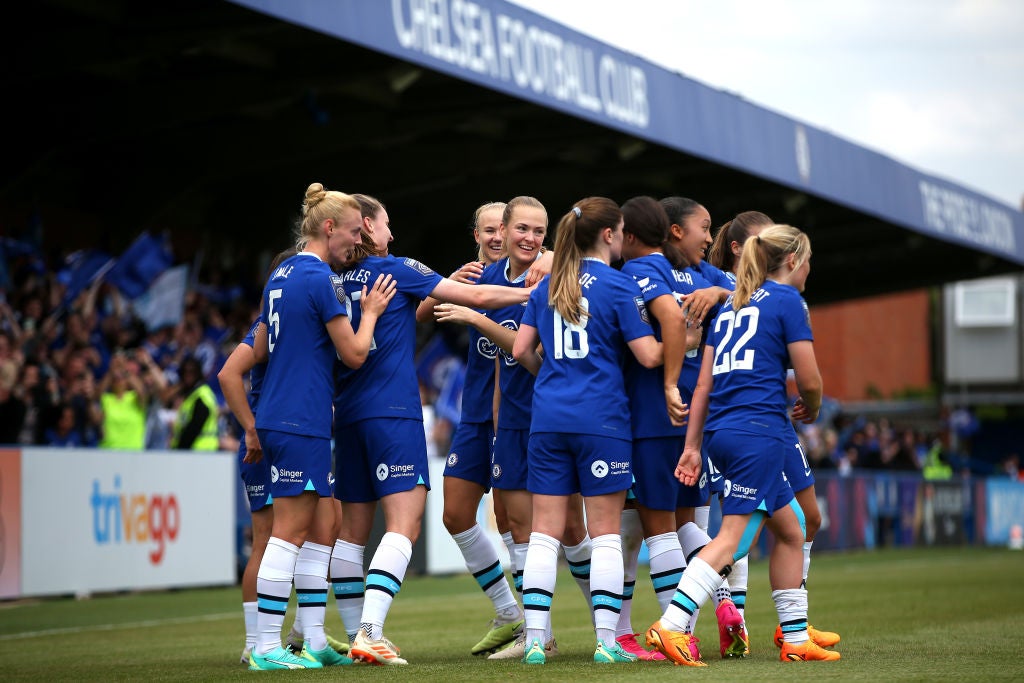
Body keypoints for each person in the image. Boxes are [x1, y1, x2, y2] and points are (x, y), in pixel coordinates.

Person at [330, 193, 535, 666]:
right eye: (385, 223)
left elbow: (406, 315)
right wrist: (533, 293)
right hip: (396, 410)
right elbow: (474, 299)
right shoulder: (399, 268)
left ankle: (334, 636)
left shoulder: (332, 277)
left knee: (352, 533)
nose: (500, 236)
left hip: (351, 412)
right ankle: (368, 631)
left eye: (506, 228)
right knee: (410, 523)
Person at [646, 224, 841, 665]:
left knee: (791, 530)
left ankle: (794, 637)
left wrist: (693, 447)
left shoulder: (731, 304)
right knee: (732, 540)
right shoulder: (789, 300)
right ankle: (671, 627)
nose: (808, 269)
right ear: (793, 261)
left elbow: (703, 387)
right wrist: (812, 405)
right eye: (807, 260)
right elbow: (808, 379)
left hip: (722, 431)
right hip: (761, 431)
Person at [246, 182, 396, 671]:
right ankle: (267, 647)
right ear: (328, 228)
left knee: (314, 530)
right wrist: (371, 312)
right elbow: (353, 354)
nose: (360, 242)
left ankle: (312, 638)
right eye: (354, 232)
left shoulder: (281, 273)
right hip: (300, 416)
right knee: (288, 534)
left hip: (283, 415)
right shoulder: (321, 279)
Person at [434, 197, 591, 662]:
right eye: (496, 230)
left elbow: (527, 354)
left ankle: (606, 627)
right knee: (469, 515)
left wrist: (477, 312)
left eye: (535, 230)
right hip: (492, 414)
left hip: (544, 413)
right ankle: (518, 617)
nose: (510, 238)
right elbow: (425, 308)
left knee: (564, 527)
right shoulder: (480, 279)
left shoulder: (546, 272)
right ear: (486, 234)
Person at [512, 197, 668, 665]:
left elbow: (521, 350)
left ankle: (536, 640)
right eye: (619, 232)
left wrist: (556, 378)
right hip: (602, 421)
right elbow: (648, 356)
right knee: (604, 535)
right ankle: (605, 642)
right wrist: (687, 336)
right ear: (607, 235)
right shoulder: (619, 286)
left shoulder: (546, 286)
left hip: (548, 420)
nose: (622, 240)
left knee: (543, 534)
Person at [708, 210, 839, 653]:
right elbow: (810, 378)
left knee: (807, 521)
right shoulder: (735, 289)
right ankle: (691, 613)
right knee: (742, 533)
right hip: (751, 422)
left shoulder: (738, 293)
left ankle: (793, 626)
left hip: (772, 422)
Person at [411, 201, 526, 656]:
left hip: (521, 415)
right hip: (474, 414)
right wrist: (446, 286)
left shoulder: (535, 274)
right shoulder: (472, 280)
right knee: (455, 514)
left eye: (504, 227)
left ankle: (545, 632)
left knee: (520, 525)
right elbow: (419, 316)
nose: (498, 236)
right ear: (475, 236)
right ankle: (509, 613)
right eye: (489, 229)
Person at [614, 196, 710, 660]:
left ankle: (676, 630)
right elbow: (748, 291)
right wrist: (719, 295)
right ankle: (727, 606)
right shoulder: (697, 276)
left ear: (628, 236)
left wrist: (668, 379)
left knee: (659, 531)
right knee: (682, 525)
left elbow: (668, 320)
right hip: (691, 417)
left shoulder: (635, 274)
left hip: (652, 413)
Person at [168, 356, 218, 450]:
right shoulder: (192, 395)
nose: (188, 376)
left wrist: (180, 448)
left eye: (192, 372)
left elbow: (194, 428)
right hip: (196, 452)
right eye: (185, 372)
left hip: (199, 450)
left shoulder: (202, 395)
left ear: (198, 373)